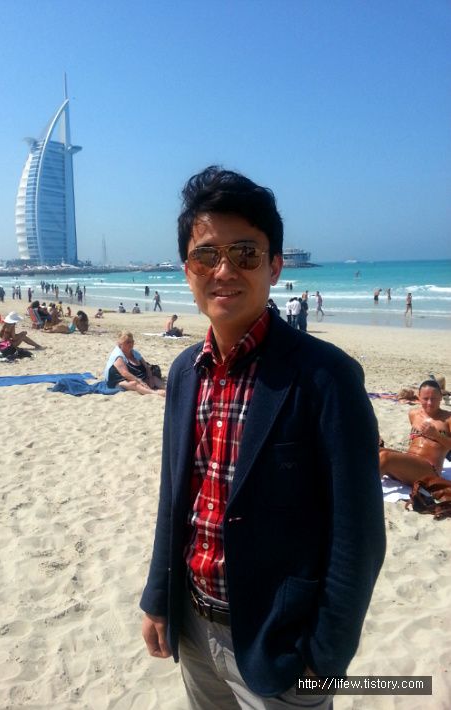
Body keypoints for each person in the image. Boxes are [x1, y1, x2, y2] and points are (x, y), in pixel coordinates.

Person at [140, 166, 385, 707]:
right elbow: (173, 499)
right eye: (206, 256)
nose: (224, 270)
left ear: (275, 266)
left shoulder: (326, 378)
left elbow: (359, 534)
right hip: (192, 627)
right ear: (187, 270)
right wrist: (158, 597)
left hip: (281, 647)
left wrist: (325, 657)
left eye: (245, 254)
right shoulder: (184, 373)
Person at [379, 380, 451, 486]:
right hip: (410, 463)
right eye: (425, 399)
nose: (429, 403)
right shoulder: (413, 414)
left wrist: (436, 435)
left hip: (430, 470)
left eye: (434, 398)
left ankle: (366, 490)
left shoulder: (448, 418)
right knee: (374, 451)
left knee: (385, 457)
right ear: (419, 397)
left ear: (440, 397)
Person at [104, 331, 165, 397]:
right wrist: (140, 381)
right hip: (117, 380)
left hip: (133, 376)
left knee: (154, 378)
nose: (131, 344)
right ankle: (155, 393)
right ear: (120, 344)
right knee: (134, 384)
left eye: (132, 342)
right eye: (127, 342)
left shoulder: (134, 353)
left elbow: (146, 366)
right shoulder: (118, 356)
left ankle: (168, 389)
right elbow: (125, 373)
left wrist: (150, 377)